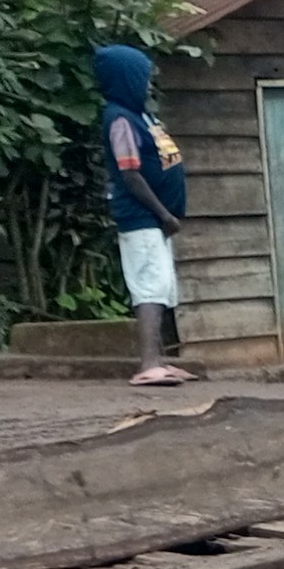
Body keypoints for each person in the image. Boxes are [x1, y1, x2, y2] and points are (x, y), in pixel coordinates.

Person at [95, 45, 192, 388]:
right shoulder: (120, 119)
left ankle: (161, 361)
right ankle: (149, 364)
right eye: (143, 78)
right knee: (149, 286)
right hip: (142, 216)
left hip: (155, 220)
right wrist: (163, 213)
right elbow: (131, 174)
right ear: (126, 80)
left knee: (162, 285)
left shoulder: (141, 115)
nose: (149, 85)